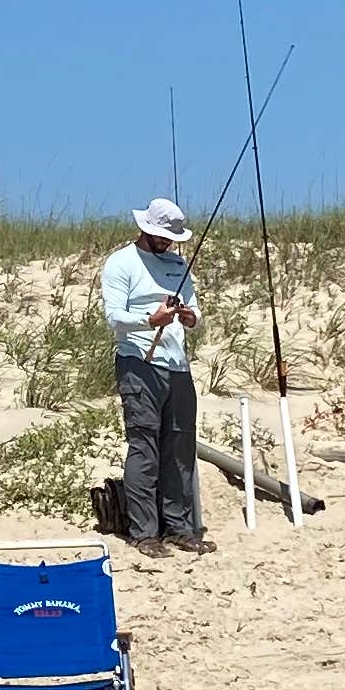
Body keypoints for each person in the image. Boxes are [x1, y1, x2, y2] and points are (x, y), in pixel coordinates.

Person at [99, 198, 211, 557]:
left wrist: (191, 318)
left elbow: (197, 311)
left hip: (178, 366)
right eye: (161, 235)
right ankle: (143, 532)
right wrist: (150, 320)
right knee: (144, 446)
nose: (166, 242)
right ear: (145, 228)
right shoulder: (121, 263)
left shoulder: (178, 264)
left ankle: (179, 527)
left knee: (180, 447)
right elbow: (114, 318)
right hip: (139, 362)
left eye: (171, 237)